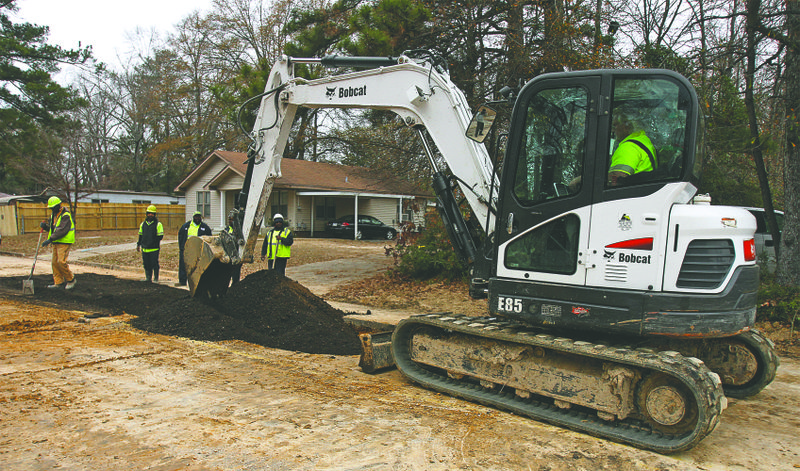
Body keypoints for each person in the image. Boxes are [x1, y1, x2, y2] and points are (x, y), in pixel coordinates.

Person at [608, 111, 657, 186]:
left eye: (615, 125)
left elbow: (615, 181)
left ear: (626, 126)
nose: (612, 130)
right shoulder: (642, 138)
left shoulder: (628, 147)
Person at [39, 196, 76, 290]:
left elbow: (61, 230)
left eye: (53, 207)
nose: (52, 209)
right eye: (51, 208)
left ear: (59, 205)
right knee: (54, 263)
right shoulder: (53, 216)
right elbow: (54, 229)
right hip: (56, 241)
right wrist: (46, 227)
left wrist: (50, 239)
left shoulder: (65, 215)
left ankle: (71, 279)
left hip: (64, 242)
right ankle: (58, 282)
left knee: (61, 261)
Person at [176, 211, 212, 286]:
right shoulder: (186, 226)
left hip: (199, 251)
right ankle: (182, 281)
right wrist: (182, 247)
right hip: (188, 250)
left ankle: (198, 283)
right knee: (184, 265)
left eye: (199, 217)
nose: (197, 218)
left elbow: (209, 238)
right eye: (196, 217)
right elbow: (181, 236)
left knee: (198, 267)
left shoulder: (205, 227)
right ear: (193, 217)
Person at [136, 205, 164, 282]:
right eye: (149, 213)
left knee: (154, 263)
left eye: (152, 213)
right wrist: (138, 244)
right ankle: (148, 278)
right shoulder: (143, 224)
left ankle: (155, 278)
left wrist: (152, 241)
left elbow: (160, 236)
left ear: (154, 214)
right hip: (144, 248)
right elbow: (140, 235)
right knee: (146, 264)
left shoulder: (158, 224)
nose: (150, 215)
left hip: (154, 248)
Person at [224, 214, 242, 284]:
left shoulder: (239, 230)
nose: (230, 221)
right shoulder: (226, 230)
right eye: (229, 220)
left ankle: (235, 286)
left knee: (236, 274)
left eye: (232, 220)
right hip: (228, 255)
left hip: (236, 255)